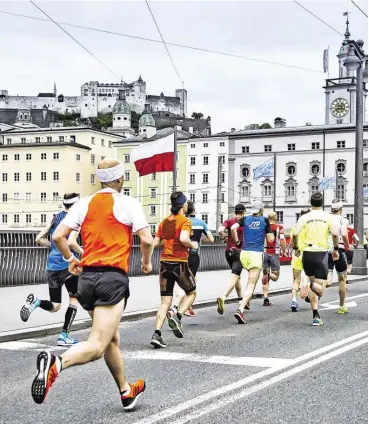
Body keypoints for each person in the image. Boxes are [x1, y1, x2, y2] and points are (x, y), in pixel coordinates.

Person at [30, 158, 154, 411]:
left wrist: (70, 259)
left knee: (111, 339)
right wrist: (146, 262)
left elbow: (57, 236)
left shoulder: (84, 203)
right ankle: (56, 363)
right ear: (120, 179)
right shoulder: (128, 202)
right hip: (111, 279)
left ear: (101, 179)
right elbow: (147, 239)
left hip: (85, 279)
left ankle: (126, 391)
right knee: (97, 345)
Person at [20, 193, 82, 346]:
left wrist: (54, 246)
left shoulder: (55, 218)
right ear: (75, 205)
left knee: (55, 305)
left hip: (51, 265)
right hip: (68, 264)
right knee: (74, 299)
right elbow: (73, 243)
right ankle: (64, 336)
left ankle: (36, 302)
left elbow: (38, 238)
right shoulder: (74, 220)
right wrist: (85, 255)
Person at [150, 192, 198, 349]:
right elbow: (184, 238)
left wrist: (167, 242)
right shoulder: (185, 221)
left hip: (164, 263)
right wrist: (193, 245)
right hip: (180, 263)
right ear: (183, 206)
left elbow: (155, 243)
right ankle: (177, 316)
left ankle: (157, 334)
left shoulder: (164, 222)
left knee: (165, 302)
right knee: (191, 292)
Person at [293, 192, 340, 326]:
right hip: (321, 253)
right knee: (320, 289)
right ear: (322, 203)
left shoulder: (305, 217)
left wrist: (296, 247)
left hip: (307, 253)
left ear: (311, 203)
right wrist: (335, 249)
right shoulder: (328, 217)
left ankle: (315, 315)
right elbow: (335, 234)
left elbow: (295, 233)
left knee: (314, 285)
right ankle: (309, 285)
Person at [231, 200, 274, 324]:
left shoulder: (246, 219)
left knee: (242, 278)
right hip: (256, 254)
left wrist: (237, 242)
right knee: (251, 284)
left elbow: (233, 227)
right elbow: (270, 239)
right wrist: (268, 232)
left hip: (244, 252)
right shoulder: (265, 220)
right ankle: (240, 309)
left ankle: (242, 302)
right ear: (261, 209)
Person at [170, 201, 214, 317]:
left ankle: (188, 307)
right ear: (194, 210)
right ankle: (175, 308)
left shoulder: (181, 222)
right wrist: (201, 239)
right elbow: (212, 239)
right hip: (194, 256)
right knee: (189, 282)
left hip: (180, 255)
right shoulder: (201, 223)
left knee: (188, 280)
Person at [216, 204, 246, 315]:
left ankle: (240, 299)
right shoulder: (244, 222)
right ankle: (223, 296)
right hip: (239, 252)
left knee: (236, 276)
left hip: (228, 252)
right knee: (235, 276)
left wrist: (224, 237)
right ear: (243, 212)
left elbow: (220, 230)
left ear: (235, 212)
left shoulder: (229, 221)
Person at [326, 200, 350, 313]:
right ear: (341, 209)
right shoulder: (343, 220)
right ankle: (341, 306)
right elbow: (344, 234)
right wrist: (347, 245)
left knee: (324, 278)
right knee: (342, 279)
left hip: (326, 250)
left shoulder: (327, 218)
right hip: (338, 249)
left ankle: (313, 294)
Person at [261, 211, 287, 306]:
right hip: (274, 252)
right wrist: (284, 252)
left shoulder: (263, 227)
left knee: (265, 278)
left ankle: (265, 298)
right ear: (275, 217)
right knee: (275, 277)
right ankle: (268, 274)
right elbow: (283, 240)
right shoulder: (279, 227)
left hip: (264, 252)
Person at [290, 208, 310, 312]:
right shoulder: (311, 227)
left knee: (296, 279)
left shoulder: (295, 227)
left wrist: (296, 248)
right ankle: (309, 294)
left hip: (297, 254)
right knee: (312, 277)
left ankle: (294, 300)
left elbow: (292, 243)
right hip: (309, 254)